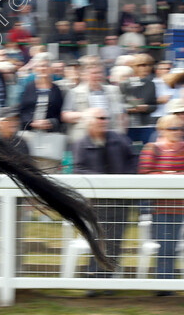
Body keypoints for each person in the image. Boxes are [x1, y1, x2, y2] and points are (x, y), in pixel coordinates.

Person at [71, 108, 137, 290]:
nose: (104, 121)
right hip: (96, 204)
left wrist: (124, 180)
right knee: (97, 240)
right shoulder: (80, 144)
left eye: (106, 117)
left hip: (120, 202)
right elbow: (79, 170)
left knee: (115, 241)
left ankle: (107, 280)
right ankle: (92, 279)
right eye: (100, 118)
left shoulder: (120, 139)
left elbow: (133, 161)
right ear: (90, 121)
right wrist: (105, 181)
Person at [138, 114, 184, 290]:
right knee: (164, 245)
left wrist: (170, 175)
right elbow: (144, 174)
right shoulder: (152, 149)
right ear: (162, 130)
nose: (177, 132)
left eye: (179, 128)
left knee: (172, 245)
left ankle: (169, 283)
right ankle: (163, 284)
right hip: (159, 207)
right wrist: (170, 176)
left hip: (180, 206)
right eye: (172, 128)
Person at [120, 54, 157, 146]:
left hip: (146, 125)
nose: (146, 68)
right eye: (142, 65)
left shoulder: (151, 84)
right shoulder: (125, 84)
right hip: (129, 125)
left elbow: (154, 105)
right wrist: (130, 109)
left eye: (149, 65)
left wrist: (147, 108)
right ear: (135, 67)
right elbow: (119, 104)